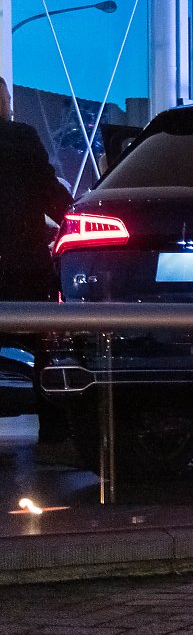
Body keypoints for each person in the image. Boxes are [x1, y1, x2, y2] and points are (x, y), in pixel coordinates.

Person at [0, 77, 73, 443]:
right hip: (21, 264)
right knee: (44, 343)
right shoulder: (19, 139)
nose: (10, 105)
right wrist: (74, 220)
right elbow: (48, 193)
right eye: (6, 98)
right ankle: (54, 435)